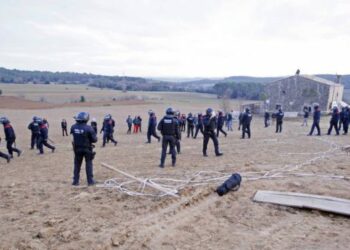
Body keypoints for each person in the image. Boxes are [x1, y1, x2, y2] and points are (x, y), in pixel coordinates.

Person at [70, 112, 97, 186]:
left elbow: (73, 135)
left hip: (77, 149)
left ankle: (75, 181)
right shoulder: (89, 128)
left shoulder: (73, 127)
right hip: (87, 149)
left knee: (77, 165)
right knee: (88, 164)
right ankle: (90, 181)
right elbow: (95, 140)